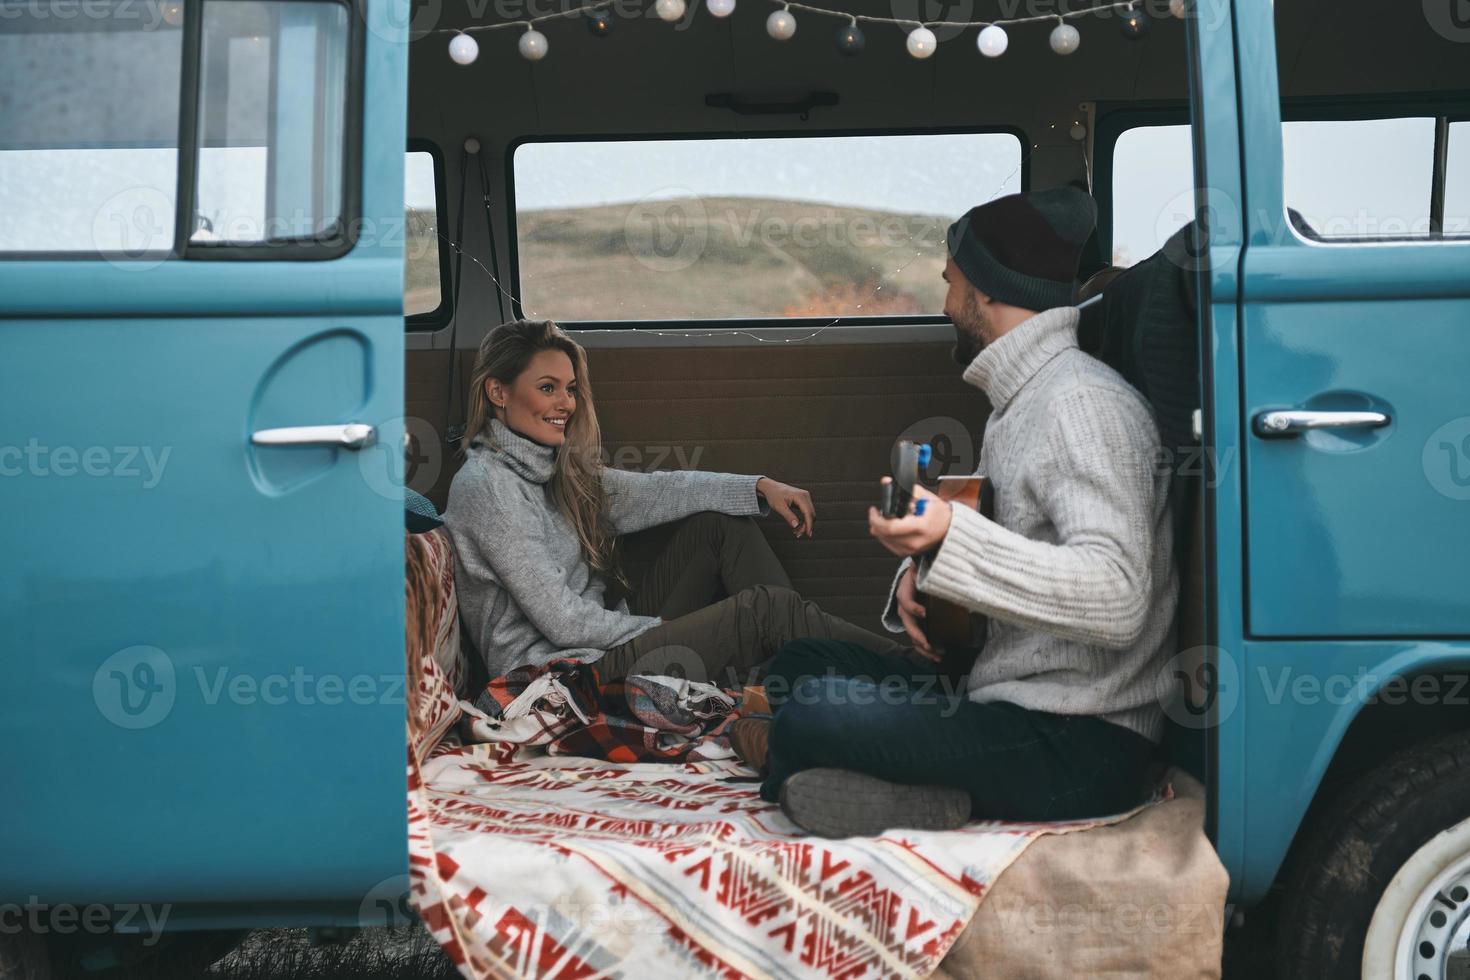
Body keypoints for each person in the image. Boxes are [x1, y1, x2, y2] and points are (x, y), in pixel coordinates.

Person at [737, 187, 1179, 837]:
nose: (946, 303)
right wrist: (926, 571)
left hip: (1077, 743)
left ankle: (884, 788)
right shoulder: (1020, 403)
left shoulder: (1081, 406)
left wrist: (950, 532)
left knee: (811, 714)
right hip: (1003, 697)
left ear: (988, 289)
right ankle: (863, 784)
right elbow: (1011, 553)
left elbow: (1116, 599)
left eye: (951, 282)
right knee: (799, 665)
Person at [444, 319, 904, 689]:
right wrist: (658, 629)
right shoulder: (489, 488)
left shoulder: (551, 470)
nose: (566, 403)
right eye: (548, 388)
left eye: (569, 388)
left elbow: (660, 491)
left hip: (600, 645)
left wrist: (758, 487)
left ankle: (803, 688)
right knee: (767, 612)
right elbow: (563, 621)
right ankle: (917, 675)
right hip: (560, 677)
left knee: (722, 528)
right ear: (497, 392)